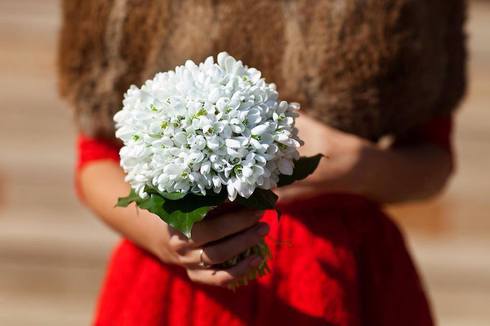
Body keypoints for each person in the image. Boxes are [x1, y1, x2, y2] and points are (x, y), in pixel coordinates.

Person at [58, 0, 466, 325]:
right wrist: (169, 236)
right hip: (176, 285)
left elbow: (432, 163)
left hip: (342, 277)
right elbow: (94, 161)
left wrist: (353, 163)